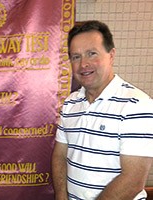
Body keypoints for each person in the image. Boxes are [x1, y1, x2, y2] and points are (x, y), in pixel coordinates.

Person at [51, 20, 153, 199]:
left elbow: (133, 180)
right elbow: (60, 156)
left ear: (111, 55)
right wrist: (61, 196)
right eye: (76, 56)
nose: (83, 64)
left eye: (92, 54)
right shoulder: (70, 104)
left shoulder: (137, 105)